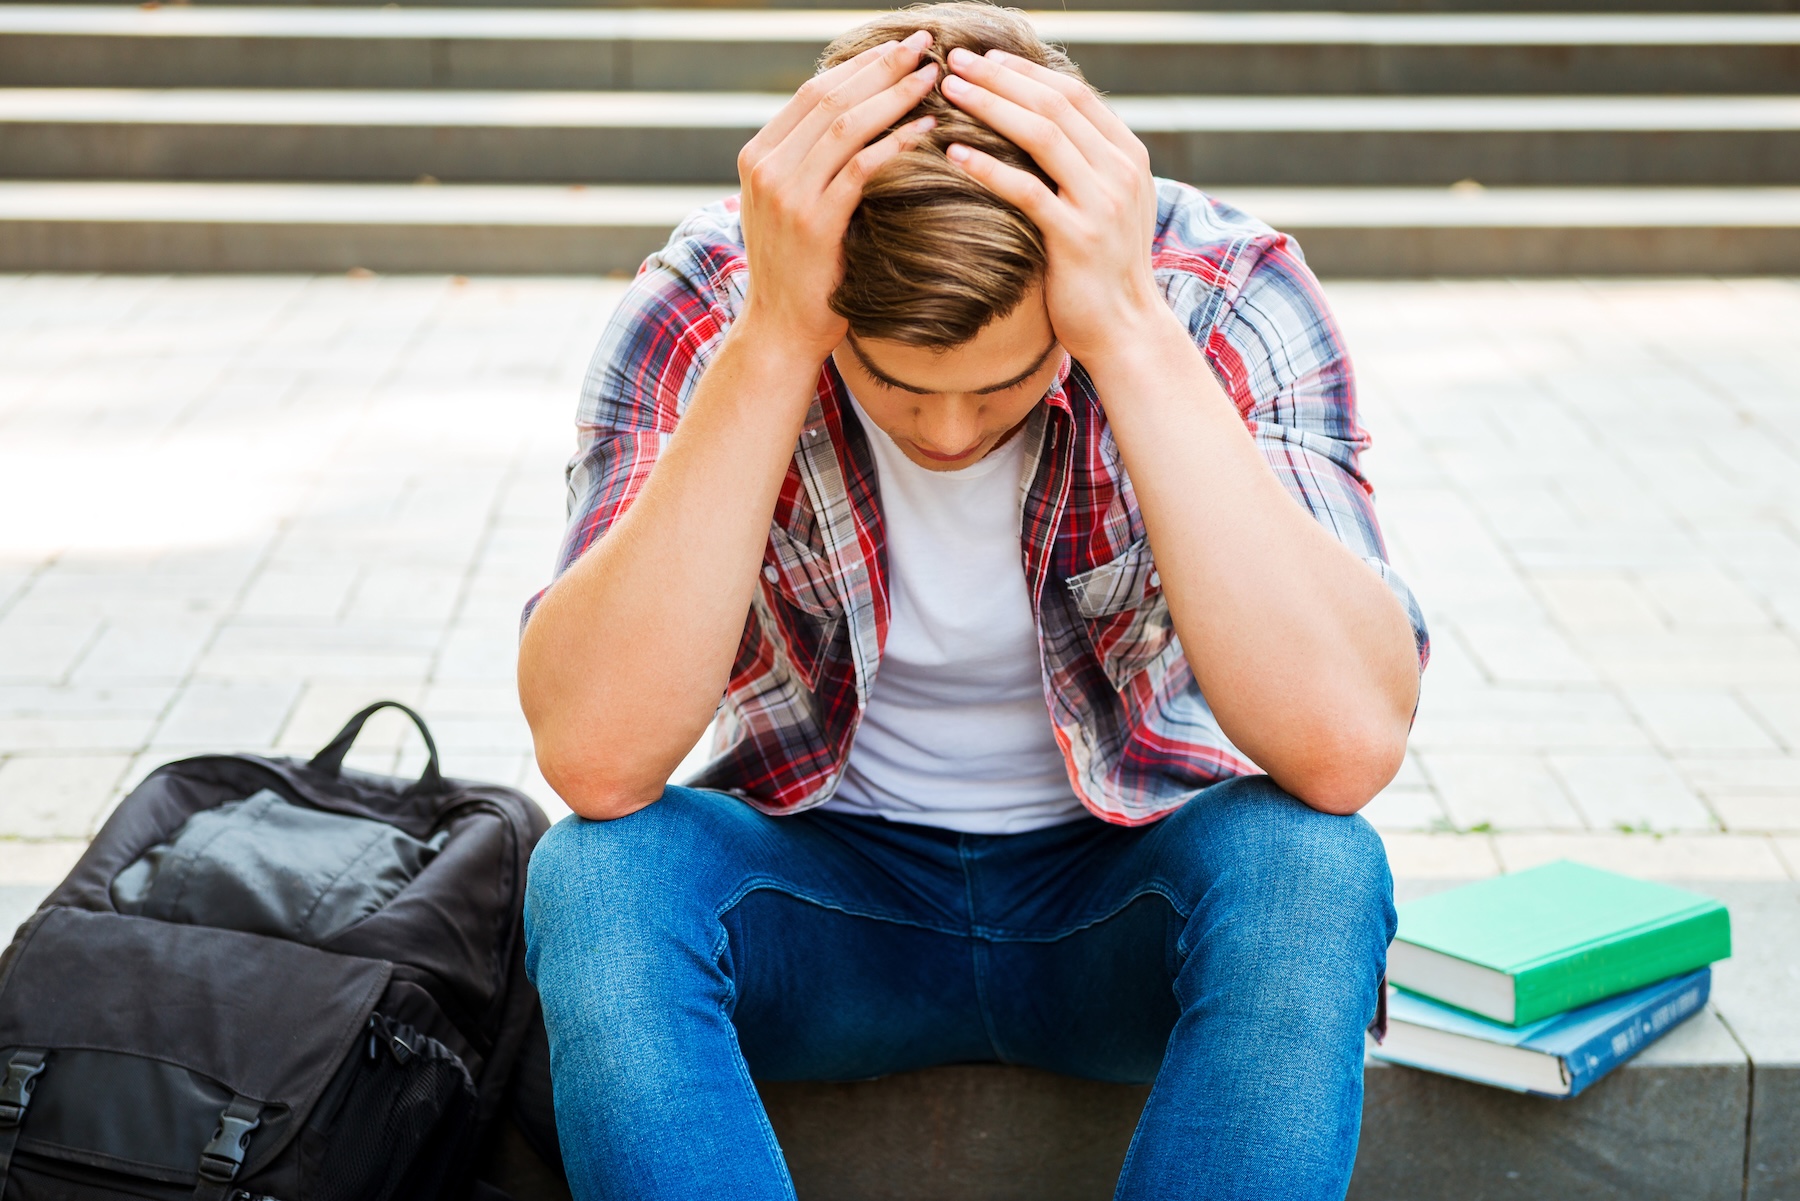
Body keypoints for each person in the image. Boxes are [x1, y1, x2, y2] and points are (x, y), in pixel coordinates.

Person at [516, 4, 1429, 1198]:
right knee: (596, 876)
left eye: (1004, 383)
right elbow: (595, 758)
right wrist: (777, 340)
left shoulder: (1215, 290)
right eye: (895, 383)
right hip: (823, 903)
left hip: (1124, 900)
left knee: (1315, 867)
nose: (949, 432)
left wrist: (1129, 335)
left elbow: (1347, 745)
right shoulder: (720, 297)